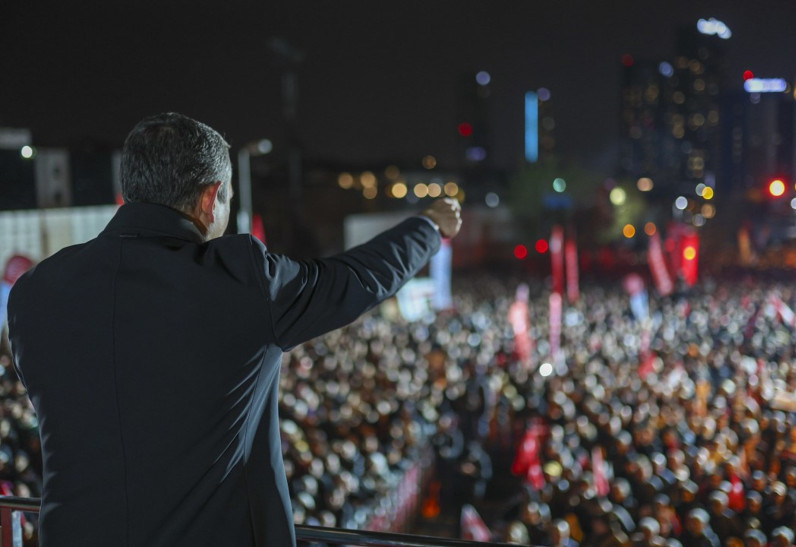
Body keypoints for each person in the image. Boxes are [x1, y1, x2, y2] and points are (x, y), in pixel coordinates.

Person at [7, 112, 461, 546]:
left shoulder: (35, 293)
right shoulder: (241, 280)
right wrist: (427, 228)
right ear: (212, 197)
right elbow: (355, 280)